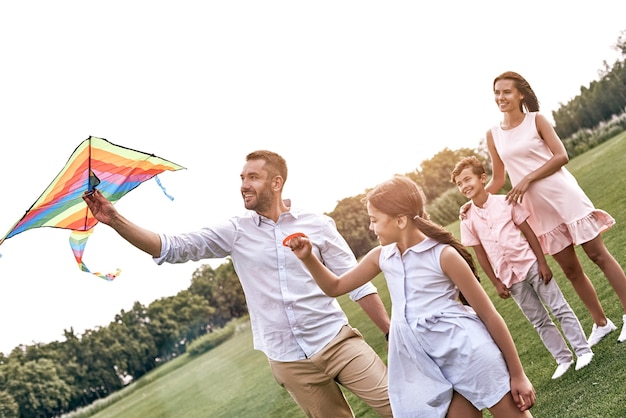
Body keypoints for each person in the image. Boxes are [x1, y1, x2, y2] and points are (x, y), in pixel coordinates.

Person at [83, 150, 393, 418]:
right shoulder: (235, 231)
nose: (244, 185)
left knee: (402, 407)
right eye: (242, 178)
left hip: (337, 341)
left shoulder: (318, 224)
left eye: (253, 177)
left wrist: (390, 332)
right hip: (288, 360)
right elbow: (171, 247)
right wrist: (115, 219)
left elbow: (358, 283)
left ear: (276, 182)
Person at [285, 175, 535, 417]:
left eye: (374, 220)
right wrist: (308, 258)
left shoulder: (443, 255)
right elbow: (336, 287)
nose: (371, 228)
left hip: (469, 354)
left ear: (401, 220)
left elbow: (489, 315)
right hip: (426, 368)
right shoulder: (382, 257)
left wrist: (517, 374)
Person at [479, 70, 626, 346]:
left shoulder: (537, 120)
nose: (501, 97)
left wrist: (527, 178)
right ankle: (601, 323)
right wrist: (474, 202)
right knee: (571, 270)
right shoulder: (493, 134)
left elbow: (562, 156)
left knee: (598, 255)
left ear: (520, 93)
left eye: (506, 91)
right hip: (538, 211)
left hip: (564, 196)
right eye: (497, 92)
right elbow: (498, 179)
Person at [452, 156, 594, 380]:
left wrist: (542, 262)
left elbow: (528, 232)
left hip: (530, 264)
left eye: (467, 179)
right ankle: (563, 358)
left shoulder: (506, 201)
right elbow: (480, 254)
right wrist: (497, 282)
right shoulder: (467, 218)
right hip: (509, 277)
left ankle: (583, 350)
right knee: (538, 320)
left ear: (482, 178)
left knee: (559, 308)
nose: (464, 186)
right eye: (459, 183)